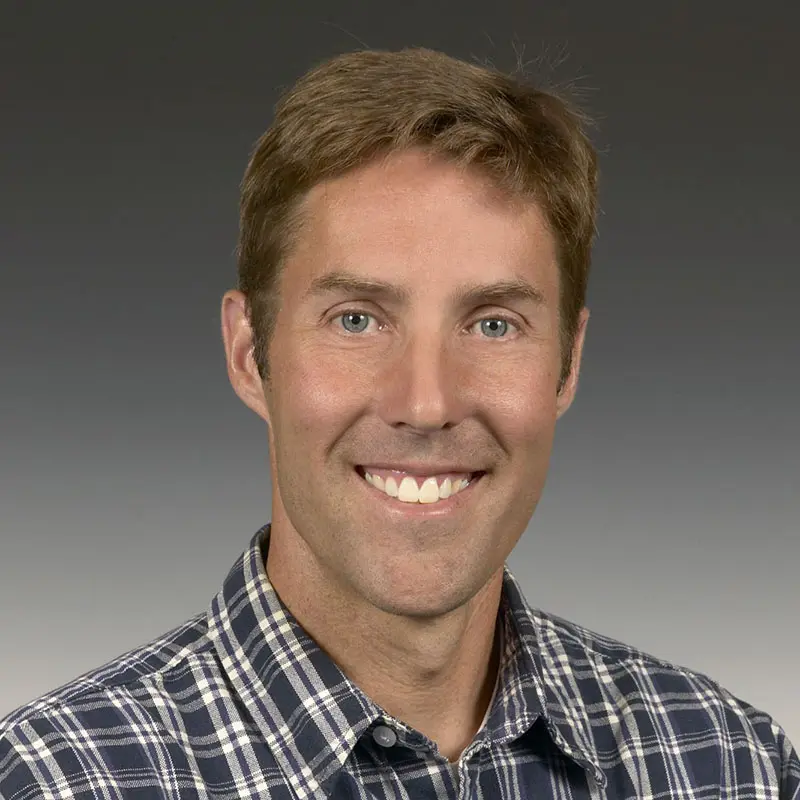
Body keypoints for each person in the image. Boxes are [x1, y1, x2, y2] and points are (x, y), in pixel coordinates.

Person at [1, 47, 797, 800]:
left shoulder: (729, 764)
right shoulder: (58, 779)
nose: (426, 404)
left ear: (569, 361)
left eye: (492, 325)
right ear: (249, 355)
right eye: (356, 320)